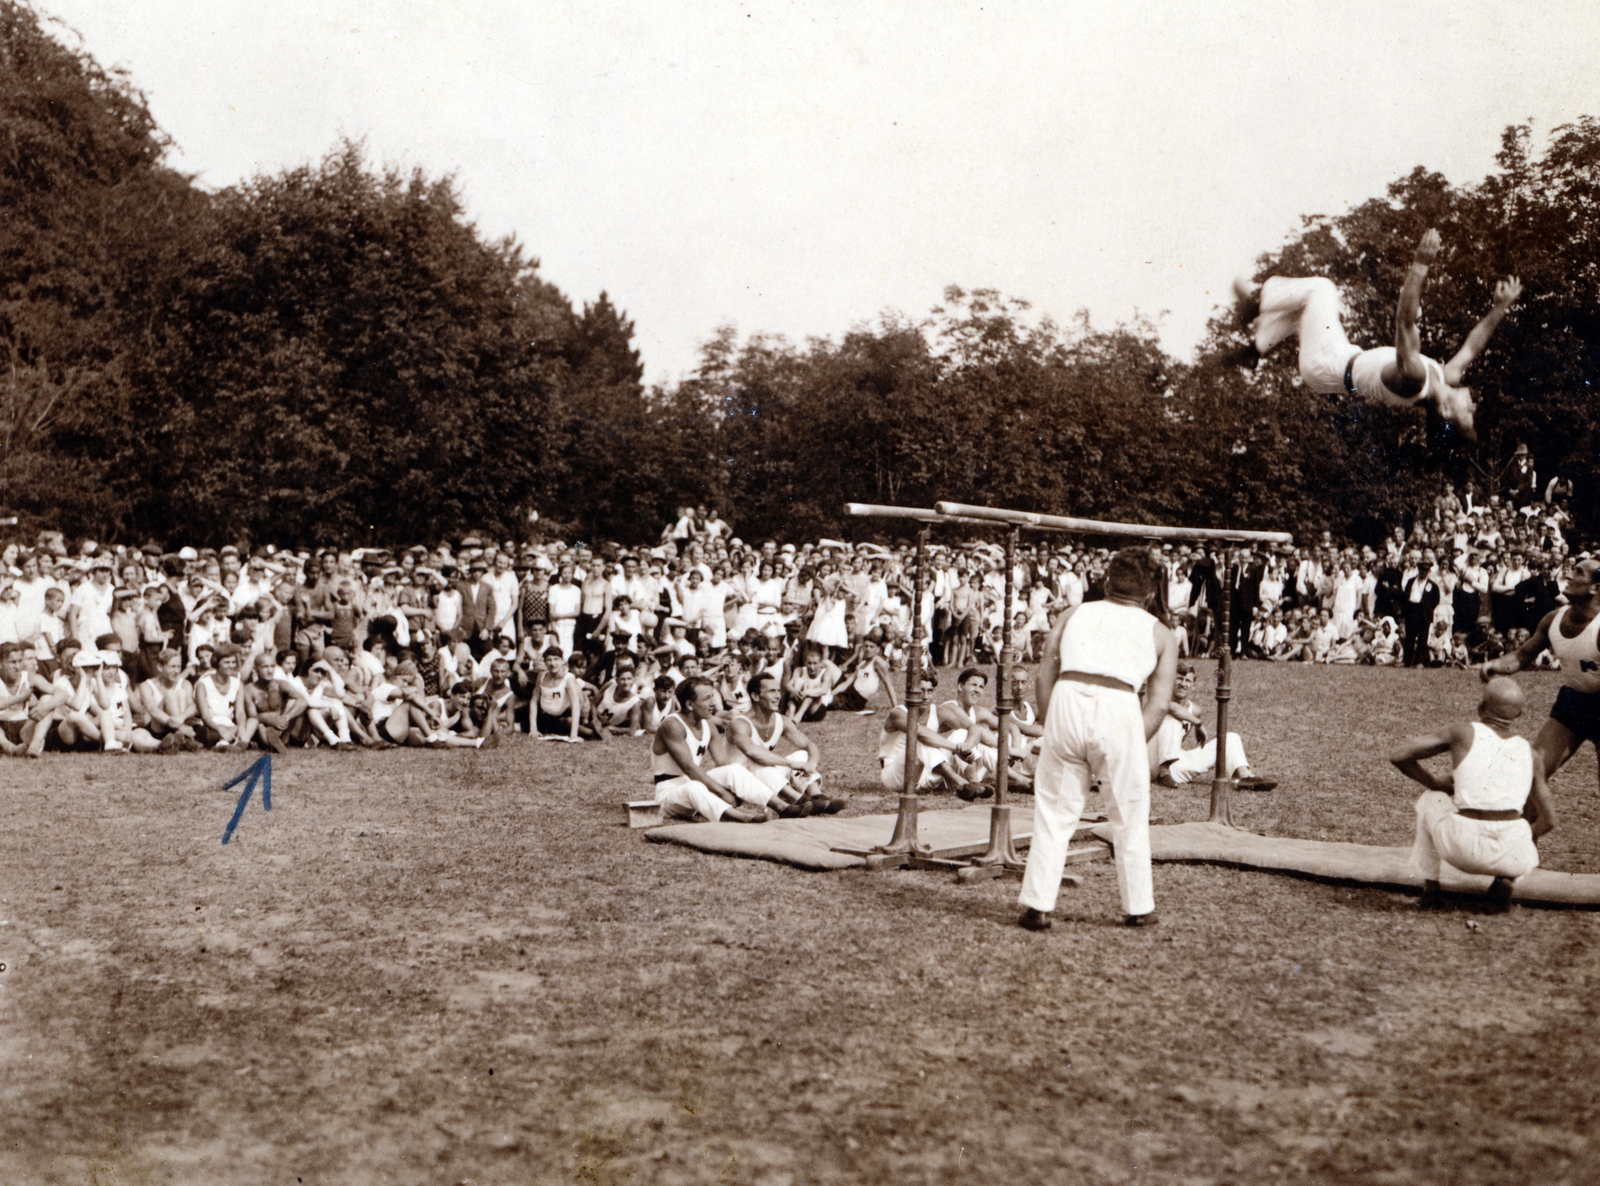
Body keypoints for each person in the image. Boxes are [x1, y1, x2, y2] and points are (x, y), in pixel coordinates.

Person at [1018, 547, 1178, 931]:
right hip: (1119, 706)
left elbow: (1044, 674)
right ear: (1152, 592)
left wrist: (1048, 723)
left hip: (1067, 699)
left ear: (1106, 580)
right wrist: (1127, 748)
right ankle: (1138, 907)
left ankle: (1038, 904)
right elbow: (1157, 704)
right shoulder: (1161, 633)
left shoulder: (1073, 613)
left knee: (1054, 811)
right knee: (1129, 813)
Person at [1233, 228, 1522, 439]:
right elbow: (1472, 347)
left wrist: (1420, 264)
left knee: (1322, 289)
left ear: (1446, 411)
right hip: (1340, 356)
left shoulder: (1413, 380)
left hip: (1325, 364)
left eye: (1468, 413)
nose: (1474, 405)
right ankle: (1254, 350)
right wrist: (1501, 308)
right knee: (1304, 309)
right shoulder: (1444, 378)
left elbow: (1404, 322)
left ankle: (1256, 304)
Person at [1389, 677, 1555, 912]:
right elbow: (1549, 820)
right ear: (1519, 716)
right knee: (1519, 829)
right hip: (1512, 854)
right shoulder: (1532, 754)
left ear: (1480, 708)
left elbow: (1399, 755)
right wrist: (1523, 837)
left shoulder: (1462, 732)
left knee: (1430, 799)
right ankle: (1506, 879)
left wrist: (1435, 783)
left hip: (1461, 848)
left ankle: (1431, 888)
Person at [1481, 557, 1600, 791]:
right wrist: (1495, 665)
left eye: (1578, 572)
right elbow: (1521, 656)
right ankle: (1519, 826)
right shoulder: (1553, 619)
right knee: (1531, 771)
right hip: (1572, 703)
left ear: (1596, 587)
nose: (1569, 574)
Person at [649, 677, 768, 824]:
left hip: (694, 788)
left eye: (713, 697)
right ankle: (742, 818)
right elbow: (689, 768)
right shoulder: (672, 724)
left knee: (734, 769)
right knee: (694, 786)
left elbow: (724, 763)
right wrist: (722, 792)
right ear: (690, 704)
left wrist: (735, 785)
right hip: (668, 793)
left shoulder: (708, 724)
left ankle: (779, 806)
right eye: (707, 698)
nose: (713, 703)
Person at [1148, 663, 1275, 791]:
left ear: (1193, 685)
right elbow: (1172, 708)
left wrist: (1196, 723)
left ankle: (1244, 777)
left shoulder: (1195, 710)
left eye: (1188, 680)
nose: (1183, 684)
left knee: (1231, 738)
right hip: (1154, 763)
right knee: (1174, 719)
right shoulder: (1160, 700)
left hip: (1176, 765)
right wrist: (1198, 723)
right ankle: (1163, 772)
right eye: (1179, 678)